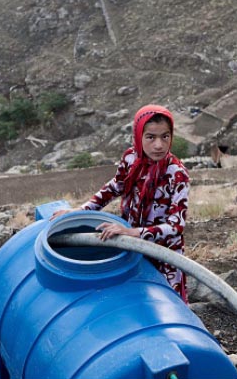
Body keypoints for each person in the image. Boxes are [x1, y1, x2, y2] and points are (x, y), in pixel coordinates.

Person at [51, 105, 190, 302]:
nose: (159, 145)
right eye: (151, 137)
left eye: (165, 137)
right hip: (131, 247)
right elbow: (115, 187)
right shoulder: (130, 158)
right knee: (133, 300)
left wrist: (131, 233)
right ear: (138, 135)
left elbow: (176, 226)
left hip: (163, 255)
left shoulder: (177, 174)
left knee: (167, 305)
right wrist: (79, 212)